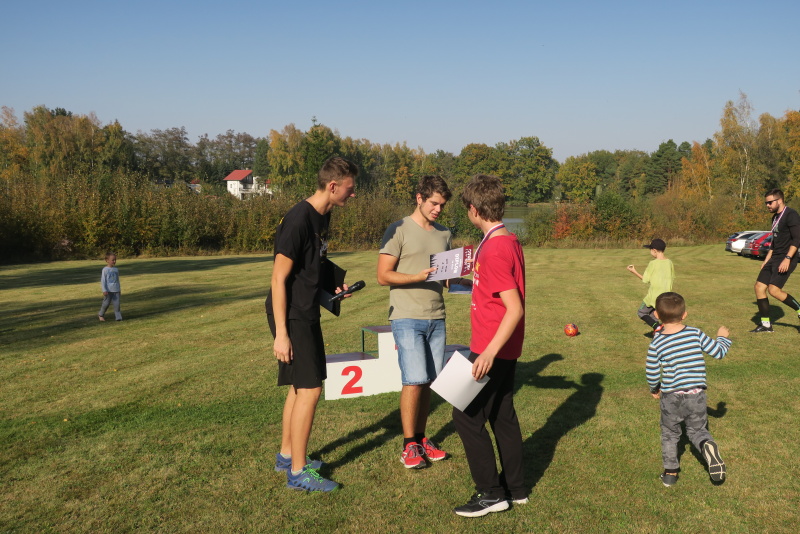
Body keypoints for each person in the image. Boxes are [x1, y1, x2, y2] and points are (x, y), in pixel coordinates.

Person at [266, 156, 358, 493]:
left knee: (299, 385)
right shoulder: (298, 219)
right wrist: (282, 334)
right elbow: (278, 278)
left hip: (306, 310)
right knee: (310, 388)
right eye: (349, 189)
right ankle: (298, 472)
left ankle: (286, 456)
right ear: (332, 186)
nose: (352, 194)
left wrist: (334, 286)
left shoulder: (323, 216)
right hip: (292, 314)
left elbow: (314, 262)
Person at [451, 174, 526, 518]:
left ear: (473, 210)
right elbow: (495, 289)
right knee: (502, 415)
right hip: (502, 345)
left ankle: (491, 493)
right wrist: (467, 282)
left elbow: (514, 308)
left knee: (464, 415)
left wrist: (489, 353)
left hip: (491, 347)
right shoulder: (505, 239)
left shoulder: (495, 248)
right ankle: (517, 488)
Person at [377, 175, 454, 469]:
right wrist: (416, 277)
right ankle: (409, 445)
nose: (438, 209)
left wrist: (467, 276)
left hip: (437, 316)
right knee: (413, 380)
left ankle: (421, 439)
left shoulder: (444, 234)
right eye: (434, 203)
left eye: (442, 205)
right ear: (419, 198)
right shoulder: (398, 229)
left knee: (429, 382)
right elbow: (383, 275)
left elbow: (446, 280)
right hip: (406, 316)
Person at [646, 292, 731, 487]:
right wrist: (722, 337)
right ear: (684, 314)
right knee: (697, 430)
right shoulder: (695, 333)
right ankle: (706, 445)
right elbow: (718, 352)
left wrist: (654, 388)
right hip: (696, 394)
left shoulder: (657, 342)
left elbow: (652, 370)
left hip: (671, 396)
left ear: (656, 315)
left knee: (670, 434)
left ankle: (670, 473)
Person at [751, 188, 800, 333]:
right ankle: (766, 325)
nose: (767, 205)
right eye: (766, 203)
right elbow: (774, 241)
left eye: (770, 202)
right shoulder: (775, 218)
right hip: (774, 257)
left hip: (787, 257)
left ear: (779, 200)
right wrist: (767, 259)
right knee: (759, 287)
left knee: (774, 290)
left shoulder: (791, 215)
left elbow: (797, 239)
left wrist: (787, 258)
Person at [626, 238, 674, 334]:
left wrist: (634, 271)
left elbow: (645, 280)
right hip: (665, 296)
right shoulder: (669, 262)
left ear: (654, 250)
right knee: (652, 315)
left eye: (650, 250)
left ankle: (657, 327)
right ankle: (658, 332)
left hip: (653, 296)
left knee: (641, 312)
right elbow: (672, 278)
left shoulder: (653, 263)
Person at [98, 252, 122, 321]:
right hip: (108, 291)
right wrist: (104, 290)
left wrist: (119, 289)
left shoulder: (116, 269)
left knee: (117, 305)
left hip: (116, 290)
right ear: (107, 260)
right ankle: (101, 314)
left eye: (115, 260)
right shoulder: (105, 270)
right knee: (106, 304)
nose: (114, 261)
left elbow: (117, 280)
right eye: (112, 260)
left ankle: (118, 317)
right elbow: (103, 281)